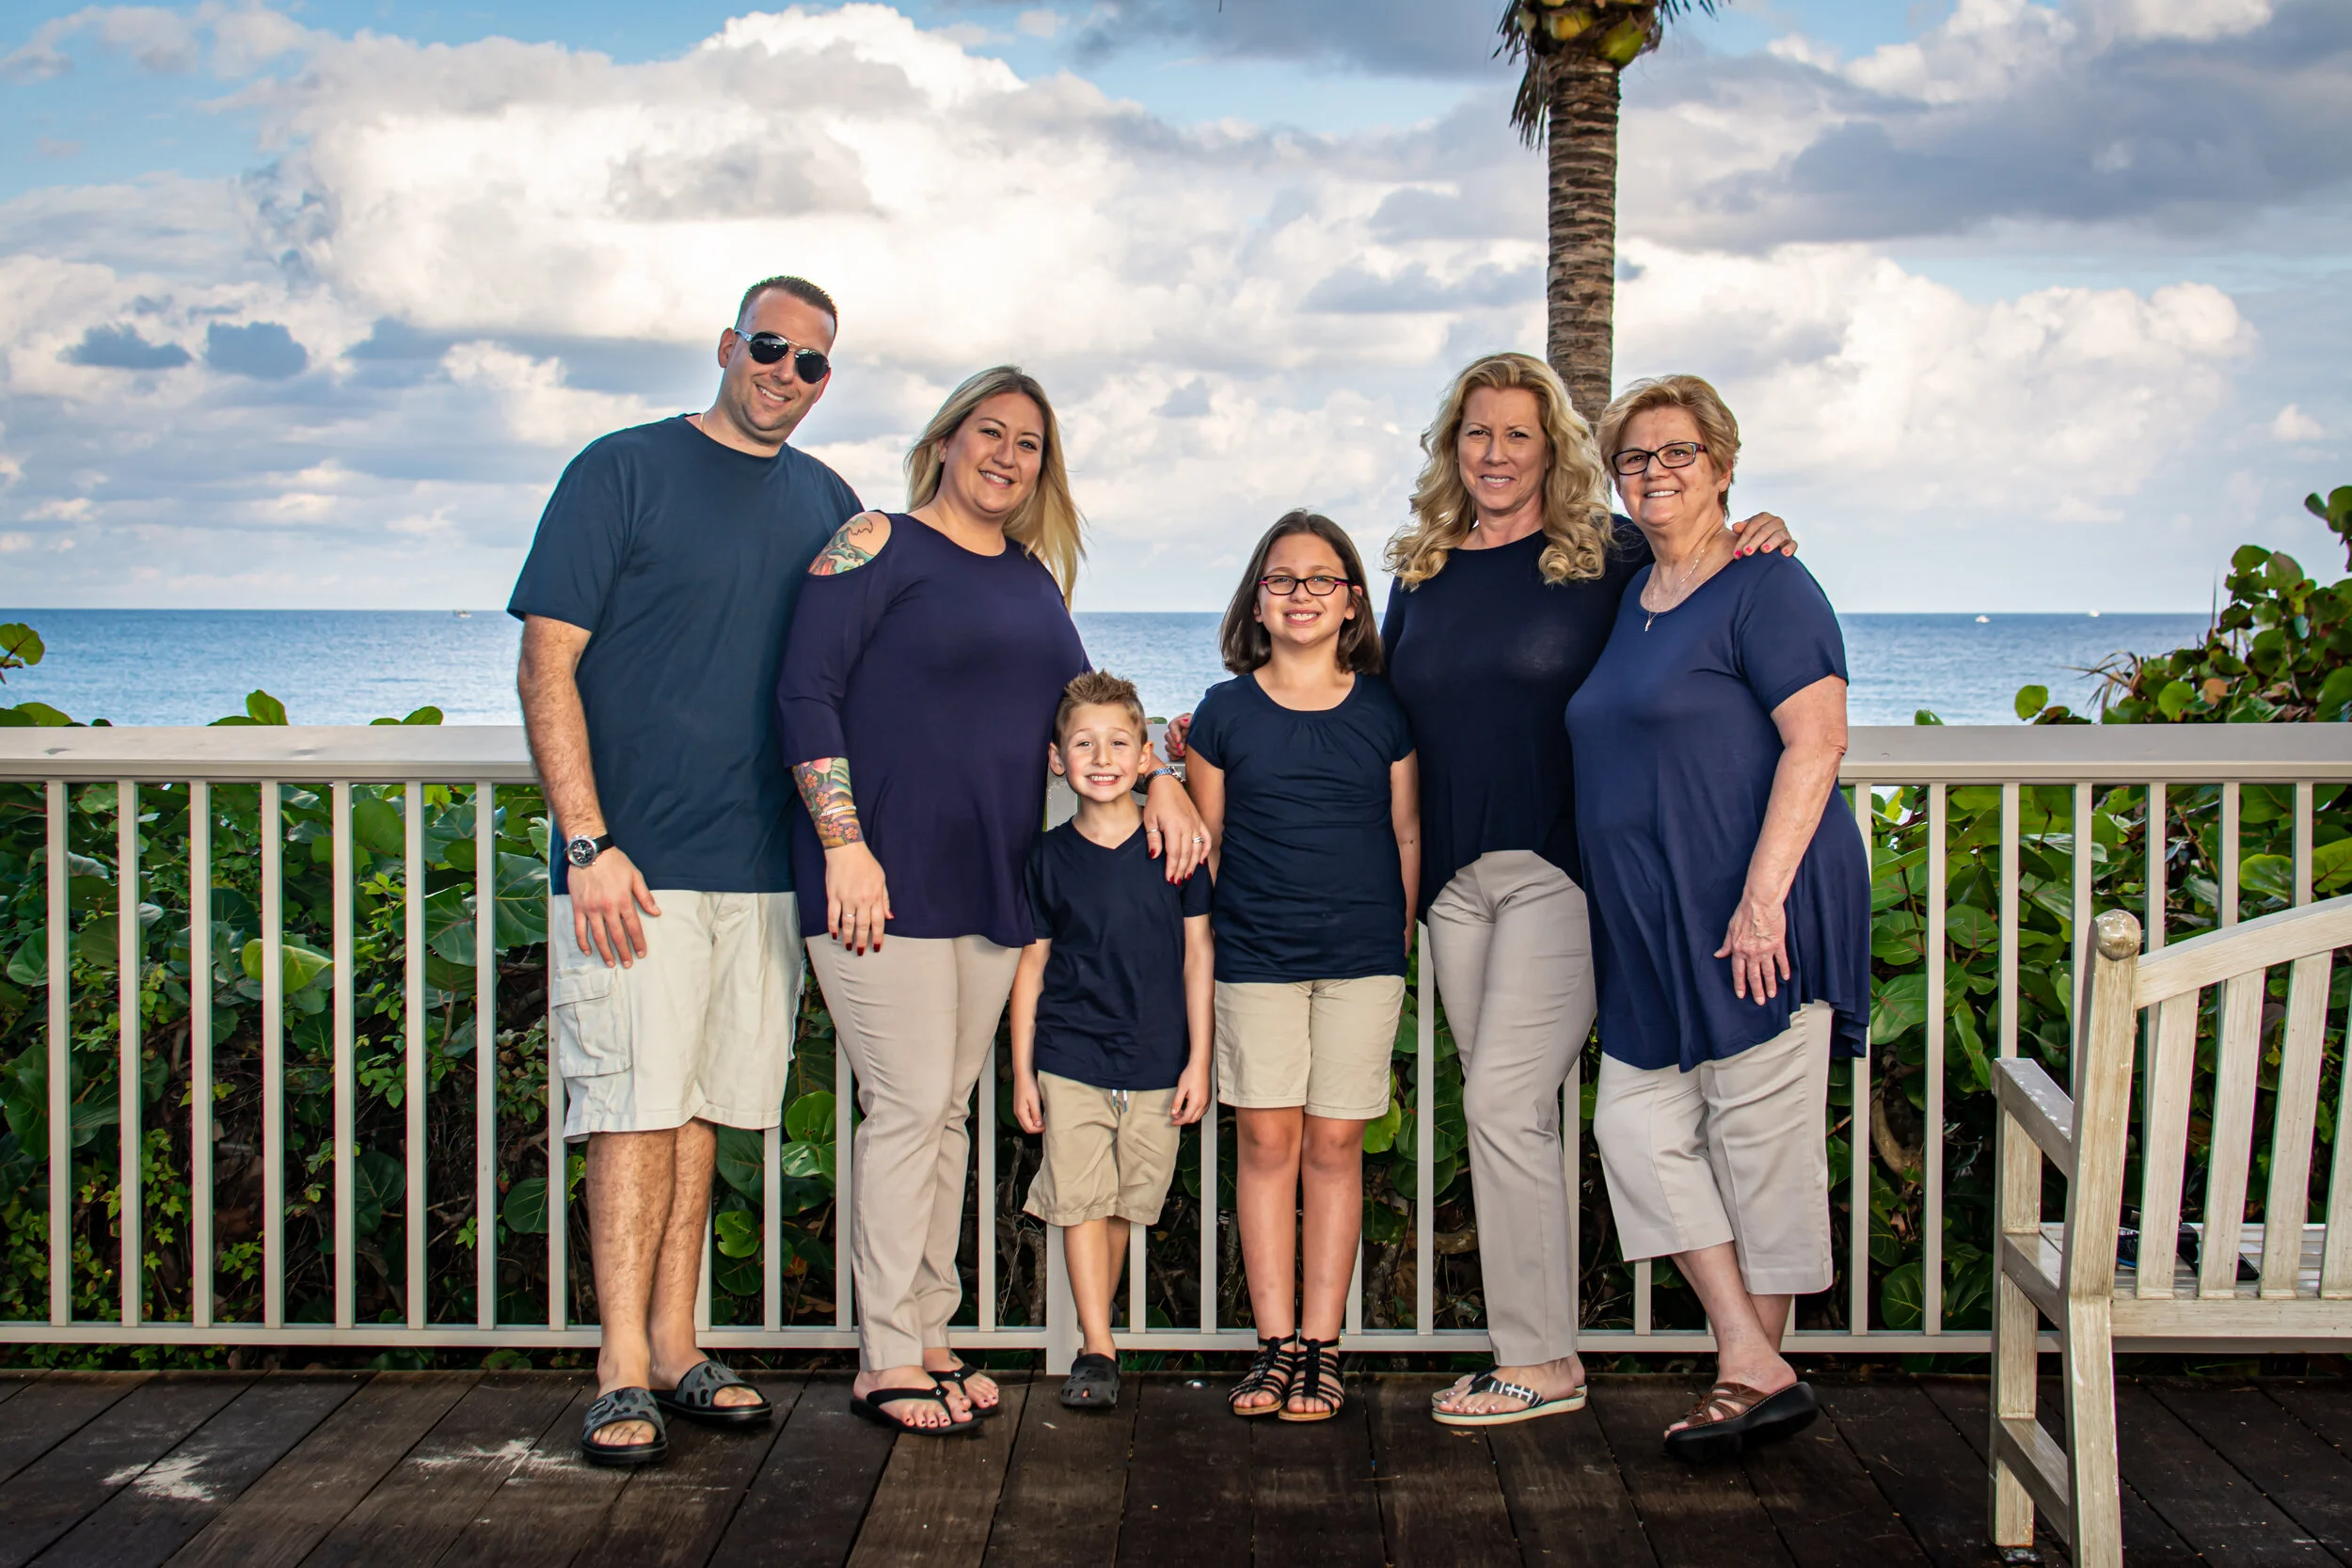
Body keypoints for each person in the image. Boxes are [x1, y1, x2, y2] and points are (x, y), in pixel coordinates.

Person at [775, 367, 1209, 1437]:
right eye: (990, 431)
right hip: (875, 879)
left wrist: (1159, 776)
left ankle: (929, 1334)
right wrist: (843, 844)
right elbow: (804, 690)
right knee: (910, 1105)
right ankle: (885, 1353)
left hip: (990, 881)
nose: (1007, 456)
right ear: (945, 440)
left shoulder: (1030, 580)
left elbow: (1089, 710)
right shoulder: (873, 543)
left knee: (947, 1112)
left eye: (1029, 444)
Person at [1369, 352, 1794, 1428]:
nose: (1495, 452)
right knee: (1510, 1115)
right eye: (1476, 431)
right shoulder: (1420, 569)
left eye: (1518, 432)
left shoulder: (1602, 553)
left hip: (1557, 871)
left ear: (1552, 446)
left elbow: (1701, 573)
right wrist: (1207, 741)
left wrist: (1763, 533)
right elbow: (1374, 713)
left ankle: (1540, 1360)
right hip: (1451, 885)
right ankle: (1545, 1348)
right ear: (1450, 446)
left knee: (1502, 1103)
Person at [511, 276, 860, 1467]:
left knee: (703, 1106)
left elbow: (872, 662)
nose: (785, 374)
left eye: (811, 362)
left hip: (762, 867)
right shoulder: (621, 469)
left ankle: (675, 1343)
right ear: (726, 345)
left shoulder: (827, 501)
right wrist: (586, 842)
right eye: (769, 347)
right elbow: (546, 664)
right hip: (632, 868)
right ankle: (618, 1366)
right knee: (631, 1107)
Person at [1566, 374, 1867, 1463]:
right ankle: (1753, 1357)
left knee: (1758, 1148)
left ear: (1724, 465)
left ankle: (1745, 1379)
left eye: (1678, 452)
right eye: (1635, 457)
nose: (1654, 472)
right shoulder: (1634, 590)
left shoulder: (1767, 584)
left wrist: (1761, 897)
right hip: (1653, 930)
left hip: (1756, 913)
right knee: (1634, 1128)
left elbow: (1818, 740)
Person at [1184, 510, 1419, 1423]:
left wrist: (1395, 940)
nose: (1301, 595)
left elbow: (1404, 833)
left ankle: (1322, 1346)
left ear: (1352, 601)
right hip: (1255, 956)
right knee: (1266, 1142)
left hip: (1362, 960)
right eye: (1281, 579)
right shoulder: (1222, 712)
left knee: (1334, 1145)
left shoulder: (1383, 710)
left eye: (1322, 579)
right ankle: (1275, 1343)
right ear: (1256, 600)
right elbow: (1206, 844)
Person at [1009, 671, 1215, 1411]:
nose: (1102, 757)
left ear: (1144, 755)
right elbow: (1031, 966)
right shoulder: (1047, 858)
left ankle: (1096, 1337)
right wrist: (1023, 1071)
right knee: (1080, 1201)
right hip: (1071, 1056)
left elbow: (1199, 956)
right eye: (1084, 743)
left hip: (1158, 1060)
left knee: (1126, 1203)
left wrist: (1199, 1059)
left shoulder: (1175, 849)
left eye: (1119, 742)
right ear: (1057, 759)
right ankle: (1098, 1346)